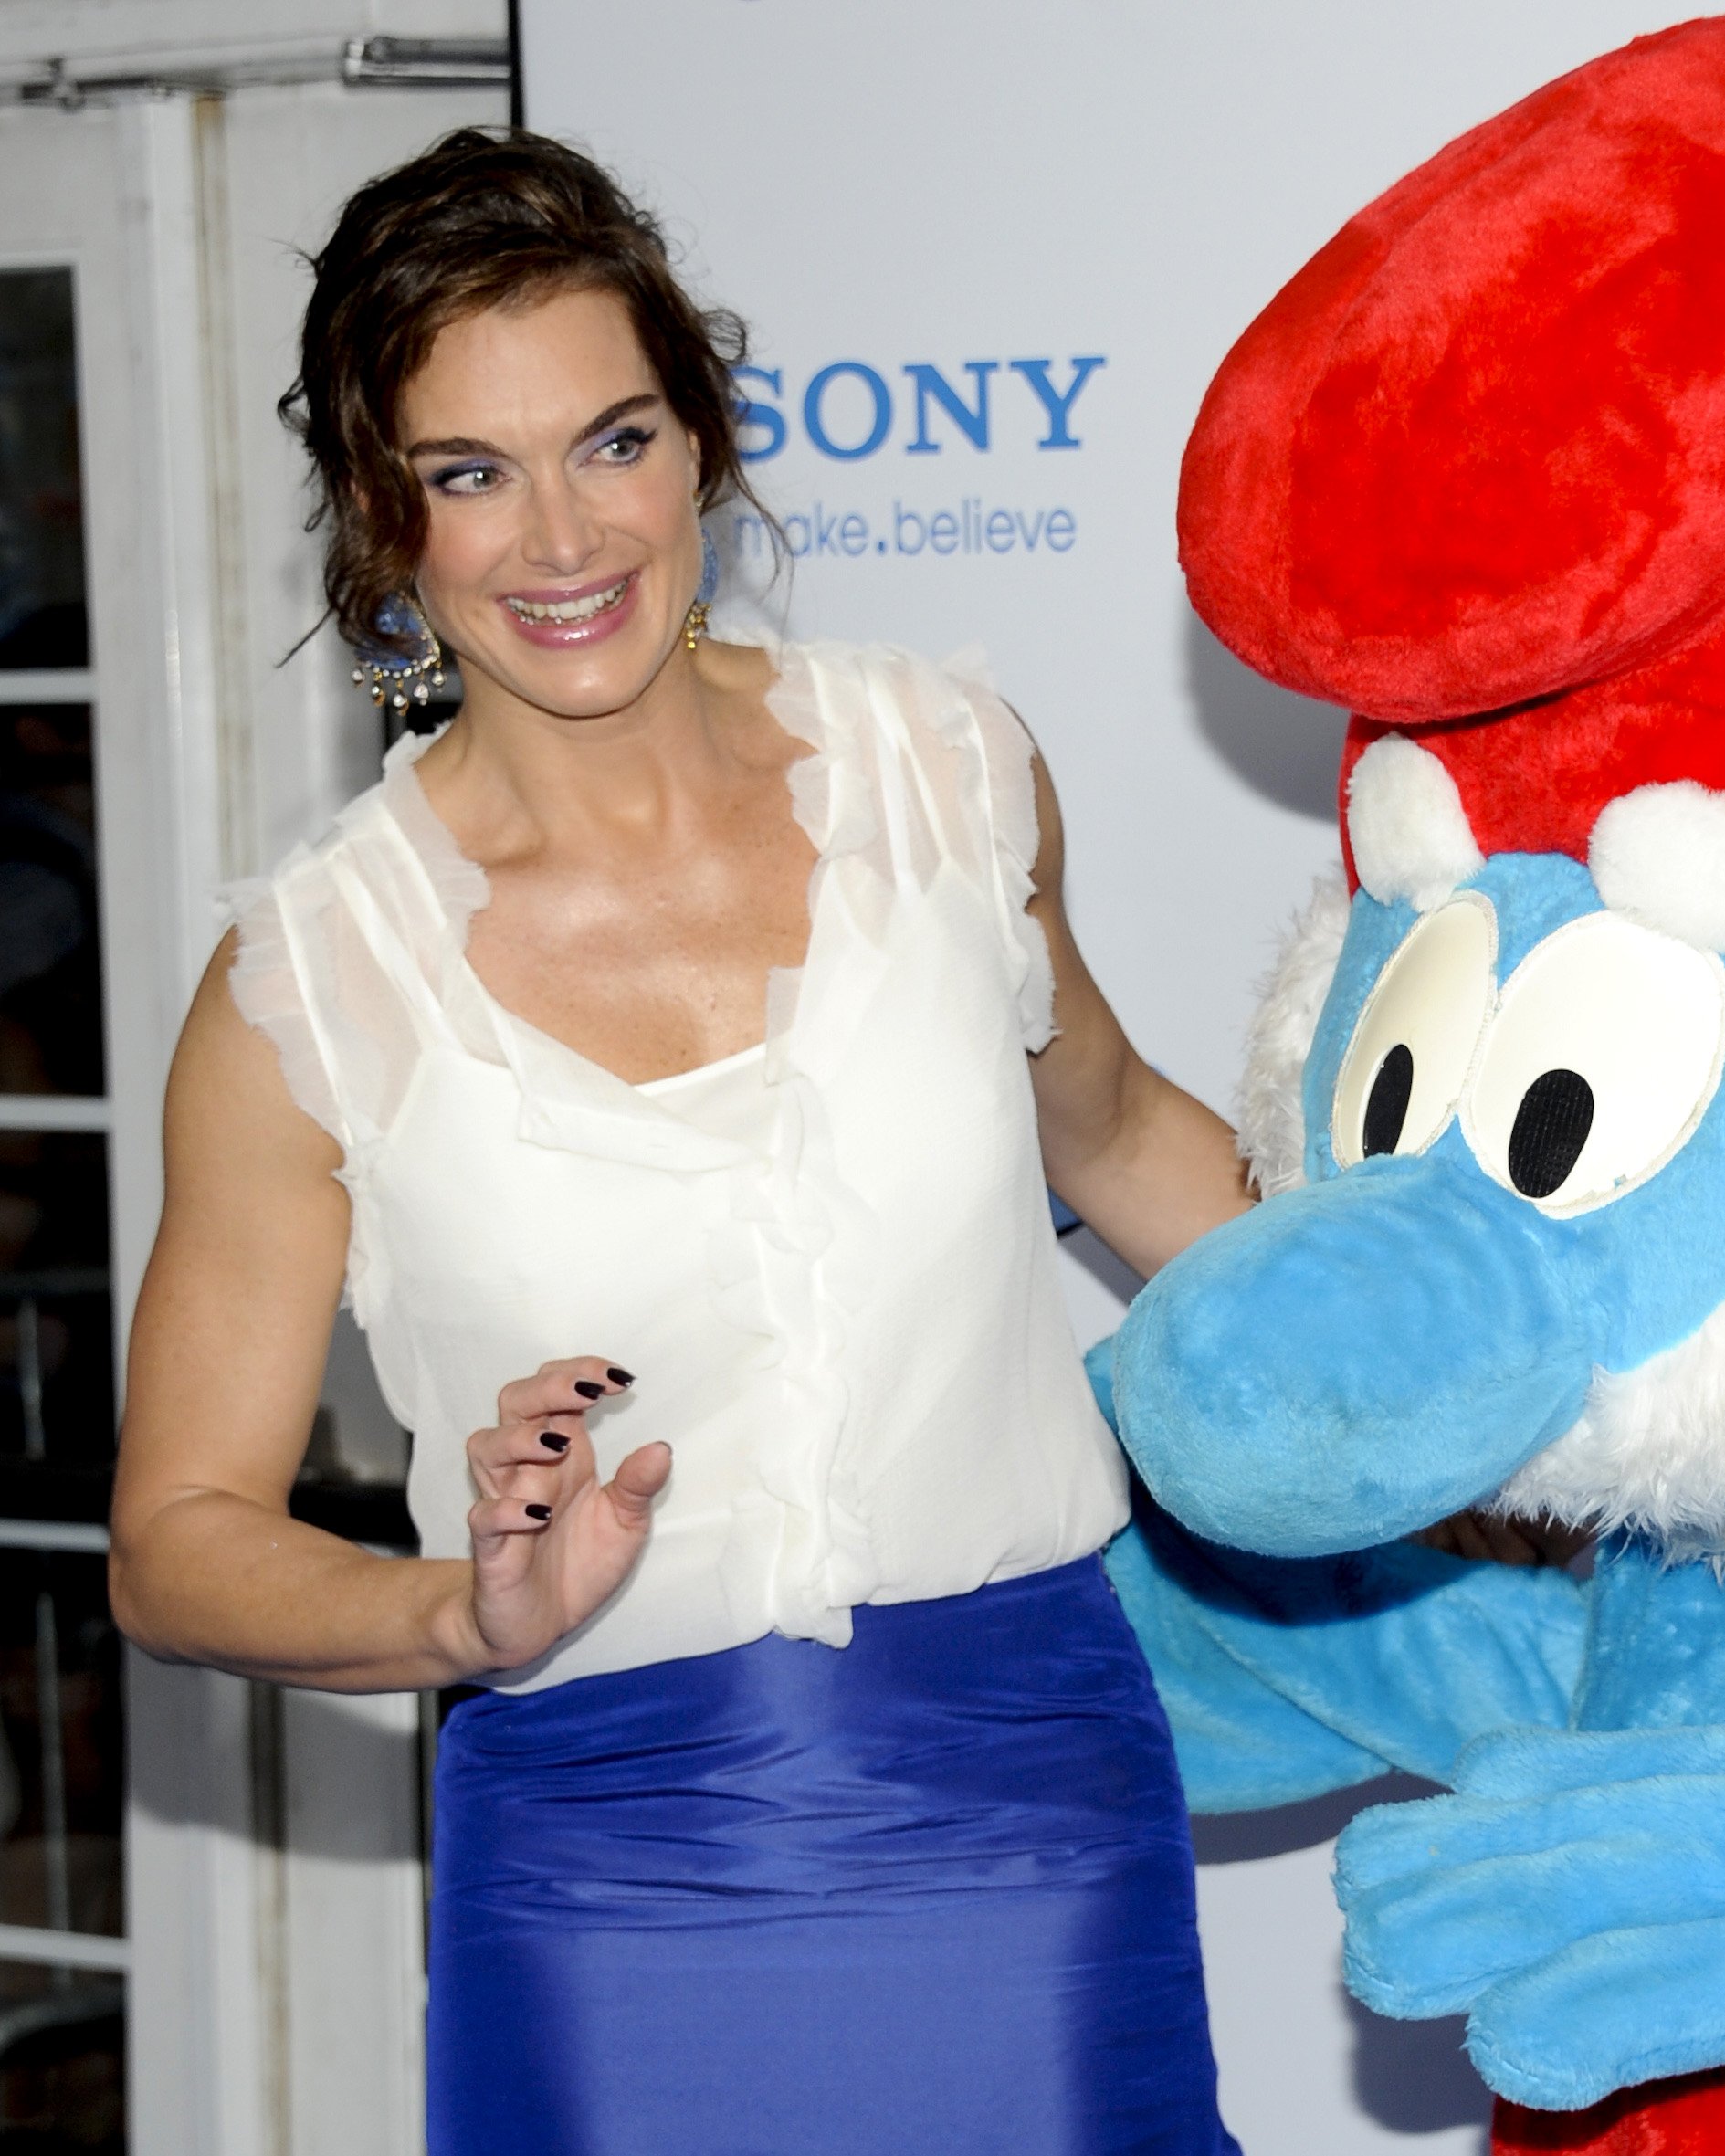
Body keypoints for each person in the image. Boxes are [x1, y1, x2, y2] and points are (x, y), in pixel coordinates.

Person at [107, 130, 1252, 2154]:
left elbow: (1123, 1133)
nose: (561, 536)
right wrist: (458, 1613)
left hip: (1028, 1821)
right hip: (604, 1874)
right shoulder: (307, 982)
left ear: (702, 441)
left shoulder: (947, 771)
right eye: (471, 472)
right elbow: (176, 1533)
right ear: (382, 518)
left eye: (613, 441)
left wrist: (1485, 1404)